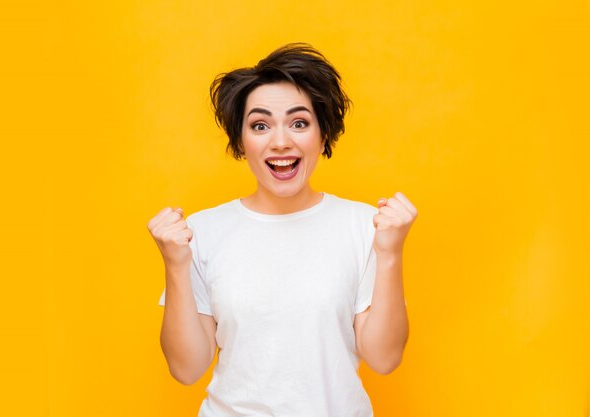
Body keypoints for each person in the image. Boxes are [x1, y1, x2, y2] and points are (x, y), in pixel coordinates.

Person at [147, 43, 418, 417]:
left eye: (299, 122)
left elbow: (385, 358)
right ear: (241, 142)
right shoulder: (201, 231)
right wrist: (175, 264)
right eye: (260, 125)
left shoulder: (364, 226)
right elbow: (186, 369)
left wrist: (391, 253)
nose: (280, 141)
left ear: (323, 136)